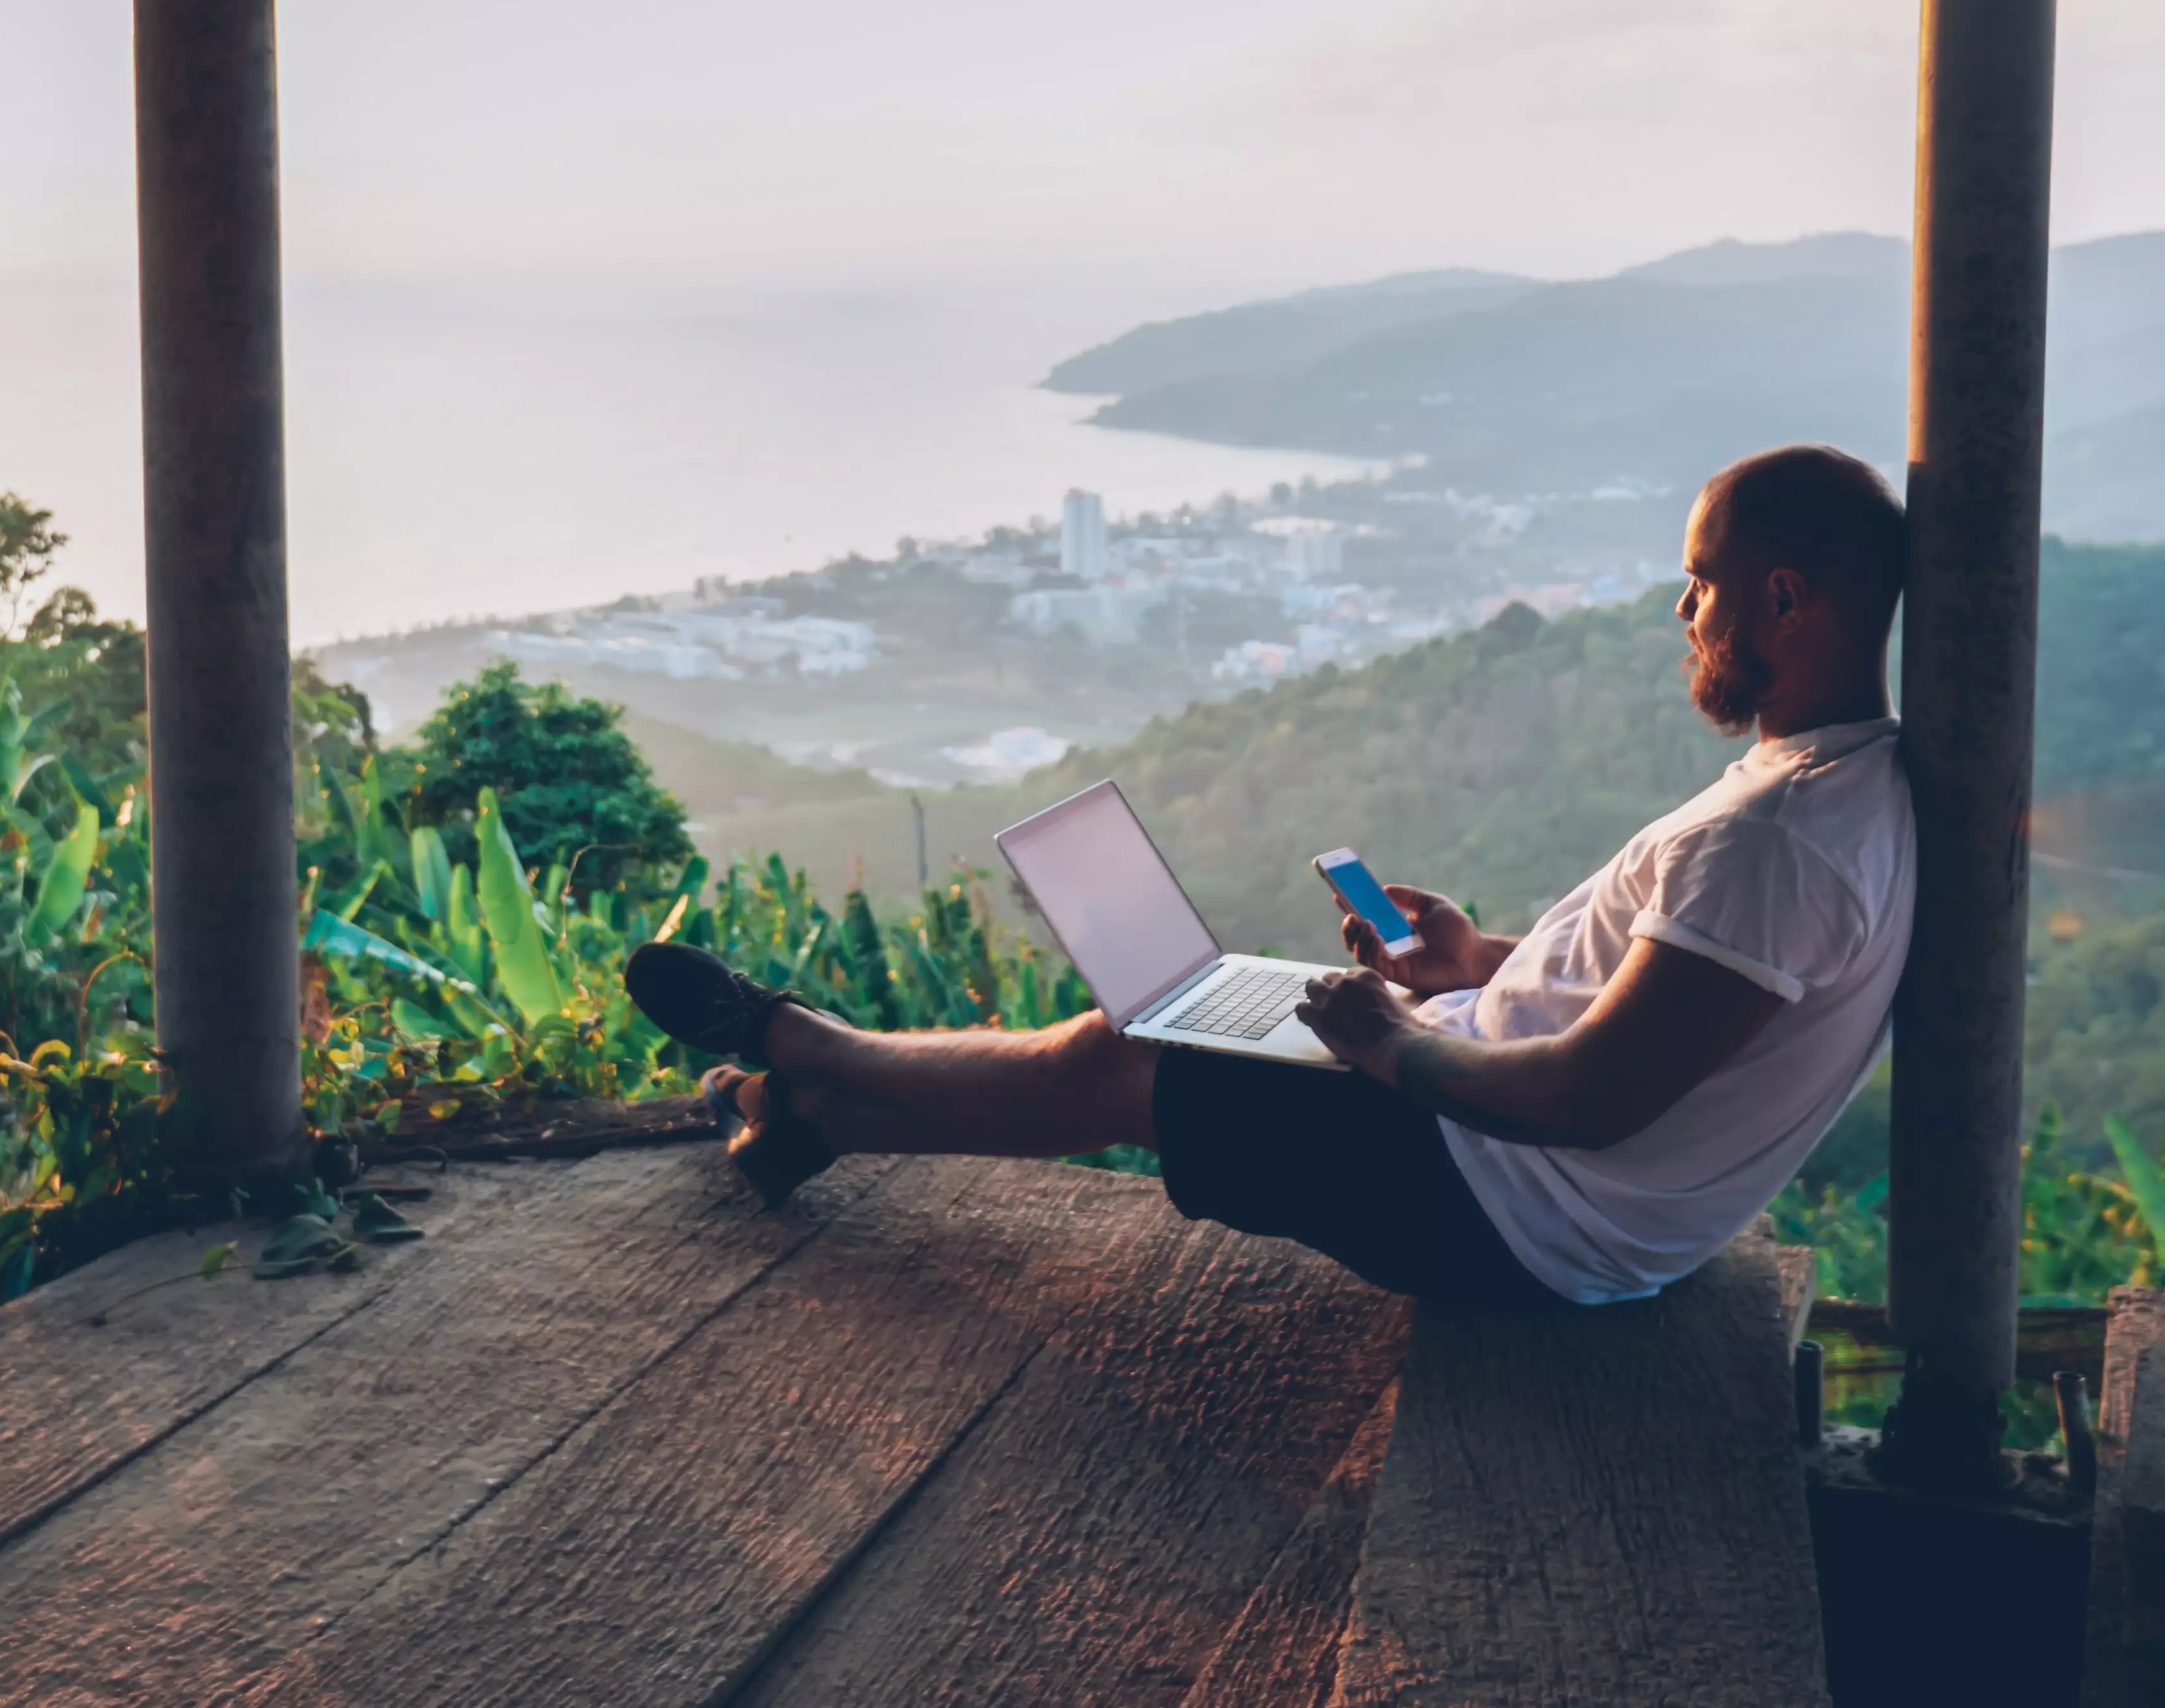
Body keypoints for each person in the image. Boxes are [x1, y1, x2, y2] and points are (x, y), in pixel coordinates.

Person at [624, 443, 1916, 1308]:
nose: (1682, 612)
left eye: (1703, 583)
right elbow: (1661, 1005)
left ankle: (799, 1038)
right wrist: (1476, 967)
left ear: (1787, 599)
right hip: (1504, 1133)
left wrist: (1394, 1052)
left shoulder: (1778, 840)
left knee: (1133, 1054)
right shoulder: (1830, 786)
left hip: (1513, 1206)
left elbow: (1589, 1095)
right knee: (1173, 1019)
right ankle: (810, 1117)